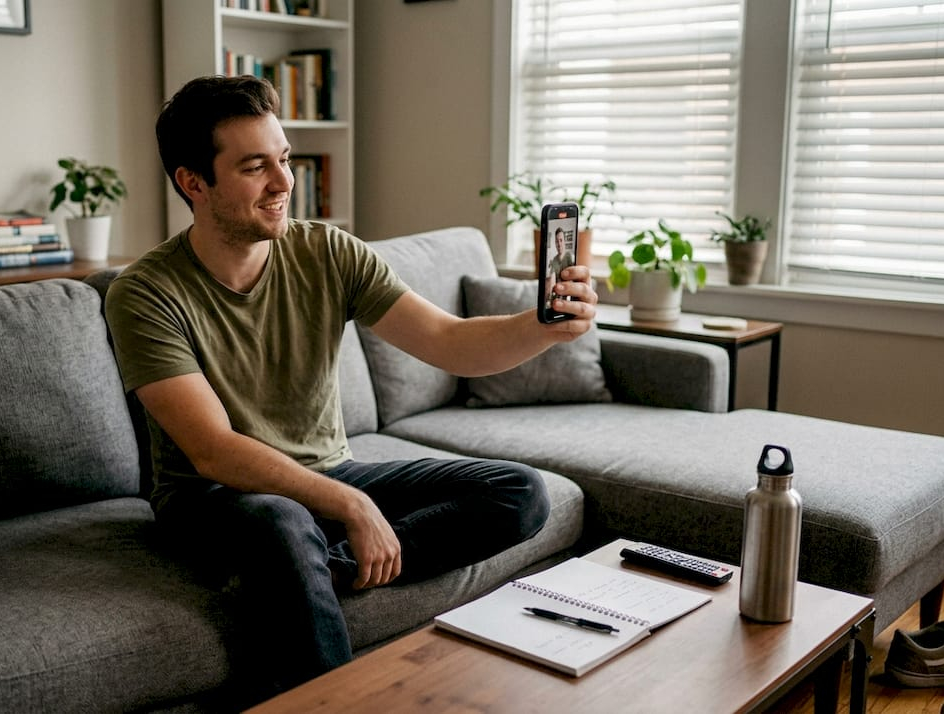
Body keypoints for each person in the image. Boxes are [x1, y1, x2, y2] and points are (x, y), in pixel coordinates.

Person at [104, 75, 598, 704]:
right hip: (214, 499)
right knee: (282, 519)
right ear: (193, 183)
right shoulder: (146, 292)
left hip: (331, 473)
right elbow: (213, 450)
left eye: (283, 159)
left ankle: (311, 575)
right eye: (255, 167)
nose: (284, 184)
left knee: (520, 492)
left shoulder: (327, 251)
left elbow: (450, 343)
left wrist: (542, 328)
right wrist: (351, 506)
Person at [545, 226, 575, 311]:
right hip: (557, 295)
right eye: (557, 241)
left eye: (561, 240)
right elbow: (552, 280)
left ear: (564, 242)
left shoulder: (570, 257)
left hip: (568, 294)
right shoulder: (554, 260)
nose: (559, 244)